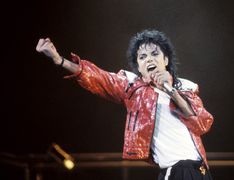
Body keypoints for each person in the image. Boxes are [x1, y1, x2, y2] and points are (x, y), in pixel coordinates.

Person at [36, 29, 214, 180]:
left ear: (166, 60)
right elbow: (98, 77)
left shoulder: (186, 87)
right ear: (138, 65)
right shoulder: (133, 88)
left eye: (154, 54)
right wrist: (59, 60)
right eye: (142, 57)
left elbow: (202, 124)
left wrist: (172, 92)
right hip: (176, 170)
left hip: (201, 171)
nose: (149, 59)